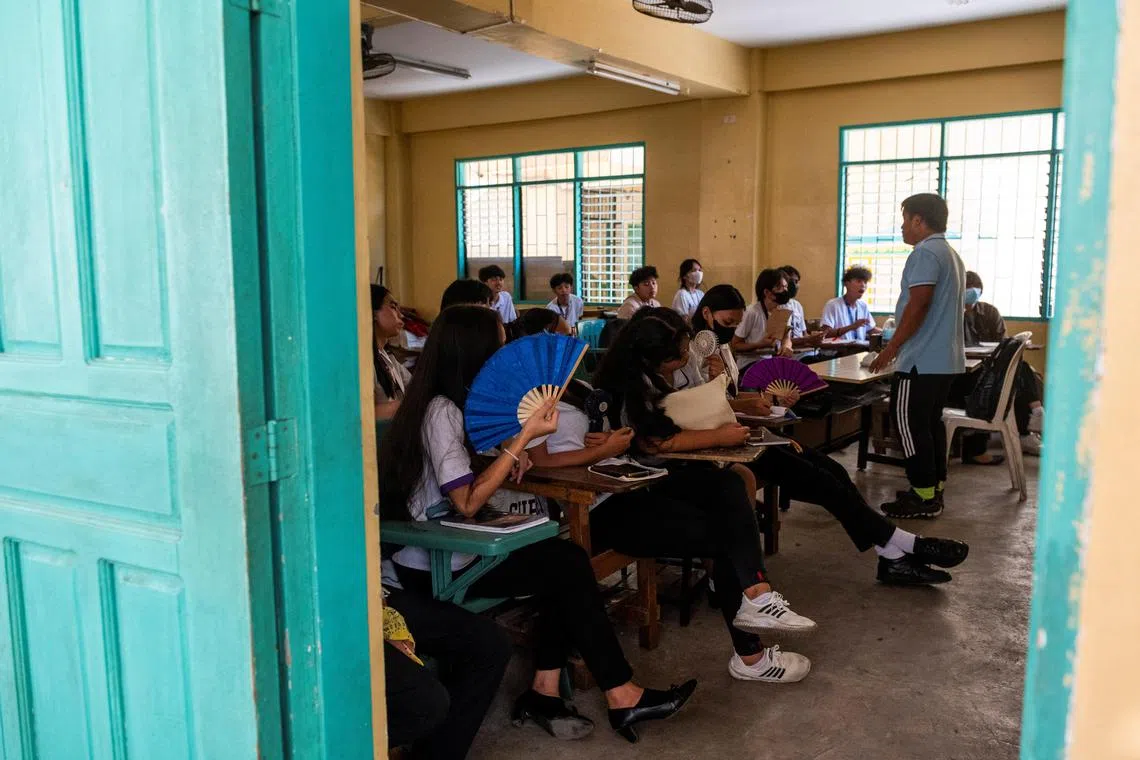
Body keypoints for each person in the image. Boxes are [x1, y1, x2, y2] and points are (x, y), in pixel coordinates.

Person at [379, 306, 696, 744]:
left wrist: (510, 453)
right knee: (564, 566)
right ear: (473, 350)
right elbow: (466, 502)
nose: (504, 351)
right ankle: (615, 695)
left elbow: (472, 480)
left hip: (462, 546)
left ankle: (569, 692)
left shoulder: (458, 404)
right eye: (498, 342)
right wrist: (523, 440)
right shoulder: (439, 411)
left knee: (566, 562)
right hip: (434, 561)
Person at [513, 308, 817, 686]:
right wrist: (601, 450)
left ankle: (757, 595)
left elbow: (631, 435)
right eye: (562, 335)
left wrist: (609, 441)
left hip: (633, 483)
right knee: (723, 534)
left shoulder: (582, 386)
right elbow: (543, 462)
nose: (572, 341)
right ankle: (751, 655)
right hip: (602, 506)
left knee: (726, 487)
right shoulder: (534, 399)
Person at [601, 307, 969, 586]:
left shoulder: (671, 369)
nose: (684, 361)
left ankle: (891, 551)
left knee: (826, 468)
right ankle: (899, 546)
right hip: (689, 464)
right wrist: (723, 435)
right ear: (649, 356)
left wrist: (744, 414)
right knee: (807, 472)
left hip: (715, 448)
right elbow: (654, 444)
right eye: (677, 356)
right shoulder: (630, 388)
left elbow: (695, 410)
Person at [870, 193, 966, 519]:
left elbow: (919, 304)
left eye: (904, 220)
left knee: (908, 426)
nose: (901, 228)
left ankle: (922, 497)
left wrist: (892, 346)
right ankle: (933, 489)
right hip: (945, 360)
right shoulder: (951, 254)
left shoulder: (925, 253)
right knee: (929, 425)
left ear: (918, 221)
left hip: (920, 361)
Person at [383, 587, 511, 759]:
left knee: (491, 644)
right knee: (426, 702)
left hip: (373, 598)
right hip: (342, 617)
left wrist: (387, 620)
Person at [954, 271, 1046, 459]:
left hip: (991, 367)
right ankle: (1033, 420)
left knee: (1017, 373)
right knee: (1018, 373)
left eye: (974, 290)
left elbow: (1002, 344)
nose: (970, 294)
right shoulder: (952, 314)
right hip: (965, 370)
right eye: (966, 289)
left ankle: (1028, 428)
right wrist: (961, 313)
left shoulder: (989, 312)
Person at [730, 268, 795, 366]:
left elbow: (787, 337)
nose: (785, 291)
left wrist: (786, 346)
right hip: (750, 363)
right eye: (780, 288)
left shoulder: (785, 311)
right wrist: (760, 344)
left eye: (785, 287)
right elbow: (735, 345)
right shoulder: (751, 312)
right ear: (767, 292)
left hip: (771, 361)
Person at [372, 284, 413, 420]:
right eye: (393, 307)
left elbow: (415, 387)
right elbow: (363, 414)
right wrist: (401, 407)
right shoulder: (364, 364)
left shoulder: (388, 359)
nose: (400, 315)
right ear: (373, 313)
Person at [821, 266, 878, 342]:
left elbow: (871, 329)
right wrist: (852, 327)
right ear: (847, 284)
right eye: (859, 281)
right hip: (838, 351)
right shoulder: (833, 305)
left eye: (865, 282)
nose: (863, 285)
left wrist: (890, 333)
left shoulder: (863, 306)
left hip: (859, 350)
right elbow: (826, 333)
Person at [778, 265, 823, 350]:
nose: (796, 285)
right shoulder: (777, 307)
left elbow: (804, 333)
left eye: (797, 282)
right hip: (789, 351)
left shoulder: (797, 305)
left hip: (803, 350)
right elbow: (780, 341)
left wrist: (815, 337)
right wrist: (806, 339)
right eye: (792, 281)